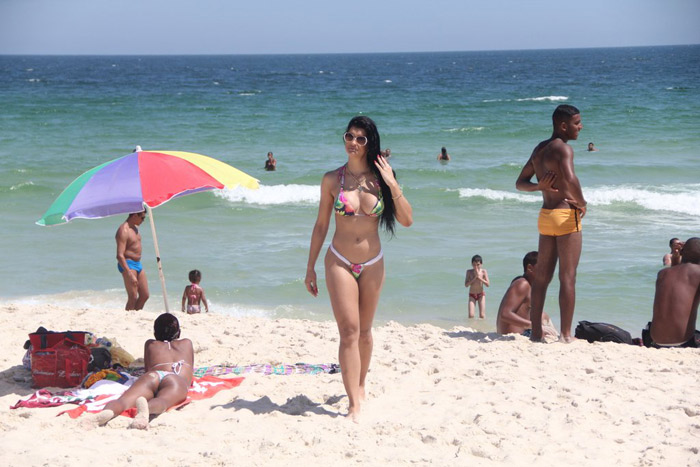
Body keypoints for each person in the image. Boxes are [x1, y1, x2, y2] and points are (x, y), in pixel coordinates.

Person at [304, 116, 413, 421]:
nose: (353, 142)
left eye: (360, 138)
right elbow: (321, 225)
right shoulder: (331, 180)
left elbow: (407, 220)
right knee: (349, 331)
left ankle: (361, 383)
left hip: (373, 263)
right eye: (349, 136)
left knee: (365, 332)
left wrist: (392, 185)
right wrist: (310, 267)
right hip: (339, 260)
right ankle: (354, 403)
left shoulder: (381, 180)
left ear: (369, 144)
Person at [515, 104, 587, 342]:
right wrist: (583, 202)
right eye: (577, 123)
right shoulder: (564, 149)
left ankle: (536, 333)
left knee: (542, 278)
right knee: (567, 277)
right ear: (563, 125)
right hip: (566, 216)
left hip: (546, 217)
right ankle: (565, 335)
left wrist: (539, 186)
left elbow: (520, 182)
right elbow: (570, 177)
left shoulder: (539, 149)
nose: (580, 127)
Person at [83, 313, 194, 429]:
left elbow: (148, 369)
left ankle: (107, 412)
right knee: (163, 400)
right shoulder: (187, 343)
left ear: (155, 333)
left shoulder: (151, 344)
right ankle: (147, 409)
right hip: (175, 379)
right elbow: (190, 370)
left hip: (153, 375)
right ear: (179, 332)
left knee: (123, 401)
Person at [643, 237, 700, 348]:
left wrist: (677, 256)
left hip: (654, 340)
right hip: (684, 342)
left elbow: (678, 276)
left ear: (682, 253)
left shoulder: (662, 273)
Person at [496, 251, 558, 338]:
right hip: (515, 335)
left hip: (519, 332)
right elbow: (505, 314)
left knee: (543, 315)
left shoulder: (529, 285)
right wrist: (534, 326)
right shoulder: (522, 284)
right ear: (530, 268)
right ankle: (557, 335)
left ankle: (557, 334)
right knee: (544, 331)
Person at [115, 211, 150, 310]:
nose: (143, 220)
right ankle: (128, 318)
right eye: (142, 218)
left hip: (138, 264)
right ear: (135, 215)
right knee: (133, 297)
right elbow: (119, 255)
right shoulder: (123, 230)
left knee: (145, 295)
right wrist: (129, 273)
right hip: (127, 263)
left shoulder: (135, 228)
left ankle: (134, 315)